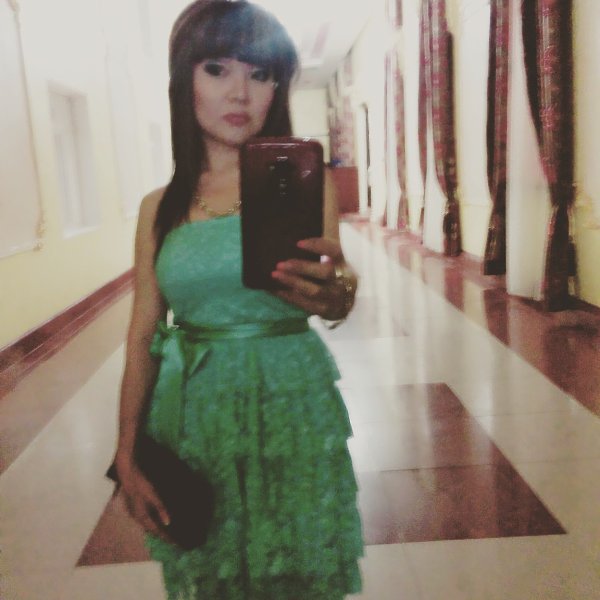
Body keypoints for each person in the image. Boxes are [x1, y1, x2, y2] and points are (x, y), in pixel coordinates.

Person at [113, 1, 363, 597]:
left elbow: (332, 293)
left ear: (278, 87)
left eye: (260, 73)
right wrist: (127, 452)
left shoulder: (308, 183)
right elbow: (143, 334)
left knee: (298, 568)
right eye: (217, 69)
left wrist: (338, 293)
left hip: (291, 405)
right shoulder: (159, 208)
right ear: (184, 79)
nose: (240, 93)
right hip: (195, 415)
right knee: (211, 571)